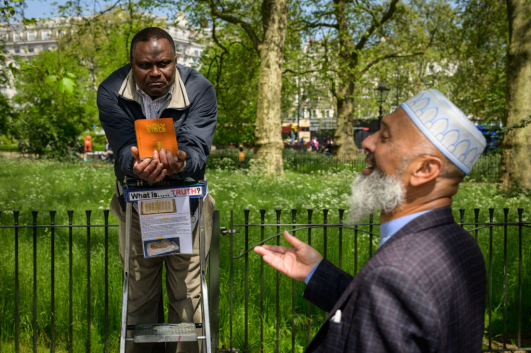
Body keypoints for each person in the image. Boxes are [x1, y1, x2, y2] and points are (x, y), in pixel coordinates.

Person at [255, 89, 486, 352]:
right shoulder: (462, 246)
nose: (367, 142)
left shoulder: (395, 274)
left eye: (385, 137)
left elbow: (394, 294)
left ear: (424, 170)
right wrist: (316, 273)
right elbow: (392, 314)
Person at [98, 27, 217, 353]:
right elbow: (122, 145)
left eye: (164, 64)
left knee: (188, 298)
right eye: (145, 66)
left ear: (176, 60)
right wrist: (134, 165)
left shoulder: (199, 89)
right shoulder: (111, 90)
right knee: (138, 295)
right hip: (137, 208)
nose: (155, 73)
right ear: (131, 63)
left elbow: (196, 145)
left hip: (187, 210)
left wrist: (181, 161)